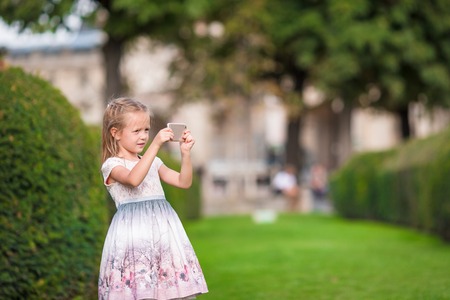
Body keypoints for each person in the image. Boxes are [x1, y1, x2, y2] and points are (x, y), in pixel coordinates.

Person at [98, 98, 208, 300]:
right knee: (141, 290)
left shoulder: (153, 162)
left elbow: (183, 182)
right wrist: (156, 144)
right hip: (134, 237)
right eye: (136, 131)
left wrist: (185, 154)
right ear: (116, 133)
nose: (143, 137)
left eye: (146, 130)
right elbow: (133, 179)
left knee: (167, 288)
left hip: (163, 234)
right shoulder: (111, 165)